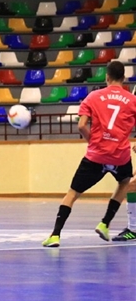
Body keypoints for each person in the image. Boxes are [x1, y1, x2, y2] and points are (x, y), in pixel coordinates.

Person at [43, 61, 136, 247]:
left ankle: (55, 235)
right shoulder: (132, 100)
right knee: (125, 182)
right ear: (124, 78)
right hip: (120, 155)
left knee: (73, 193)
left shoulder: (93, 97)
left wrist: (92, 141)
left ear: (107, 78)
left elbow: (81, 125)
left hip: (96, 155)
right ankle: (104, 223)